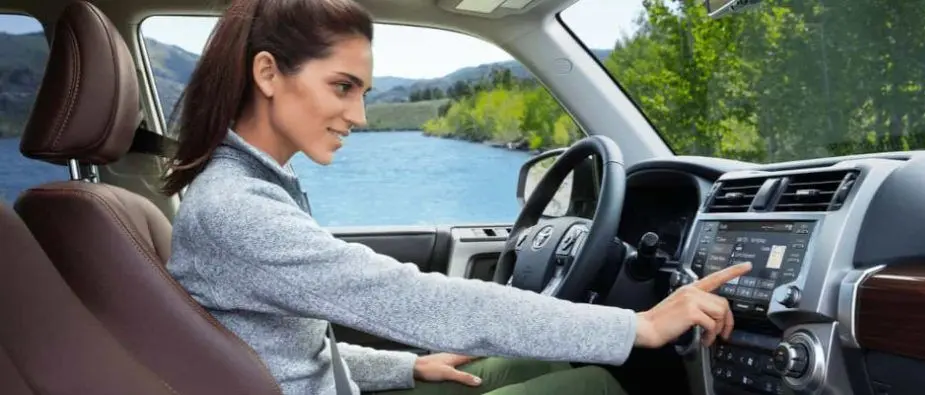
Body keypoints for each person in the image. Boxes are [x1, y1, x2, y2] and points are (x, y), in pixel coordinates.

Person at [161, 0, 751, 394]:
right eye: (342, 86)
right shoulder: (235, 209)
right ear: (268, 74)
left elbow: (284, 355)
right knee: (592, 384)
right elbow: (407, 299)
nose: (359, 115)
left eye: (363, 91)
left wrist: (405, 367)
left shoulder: (252, 189)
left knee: (545, 362)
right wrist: (639, 326)